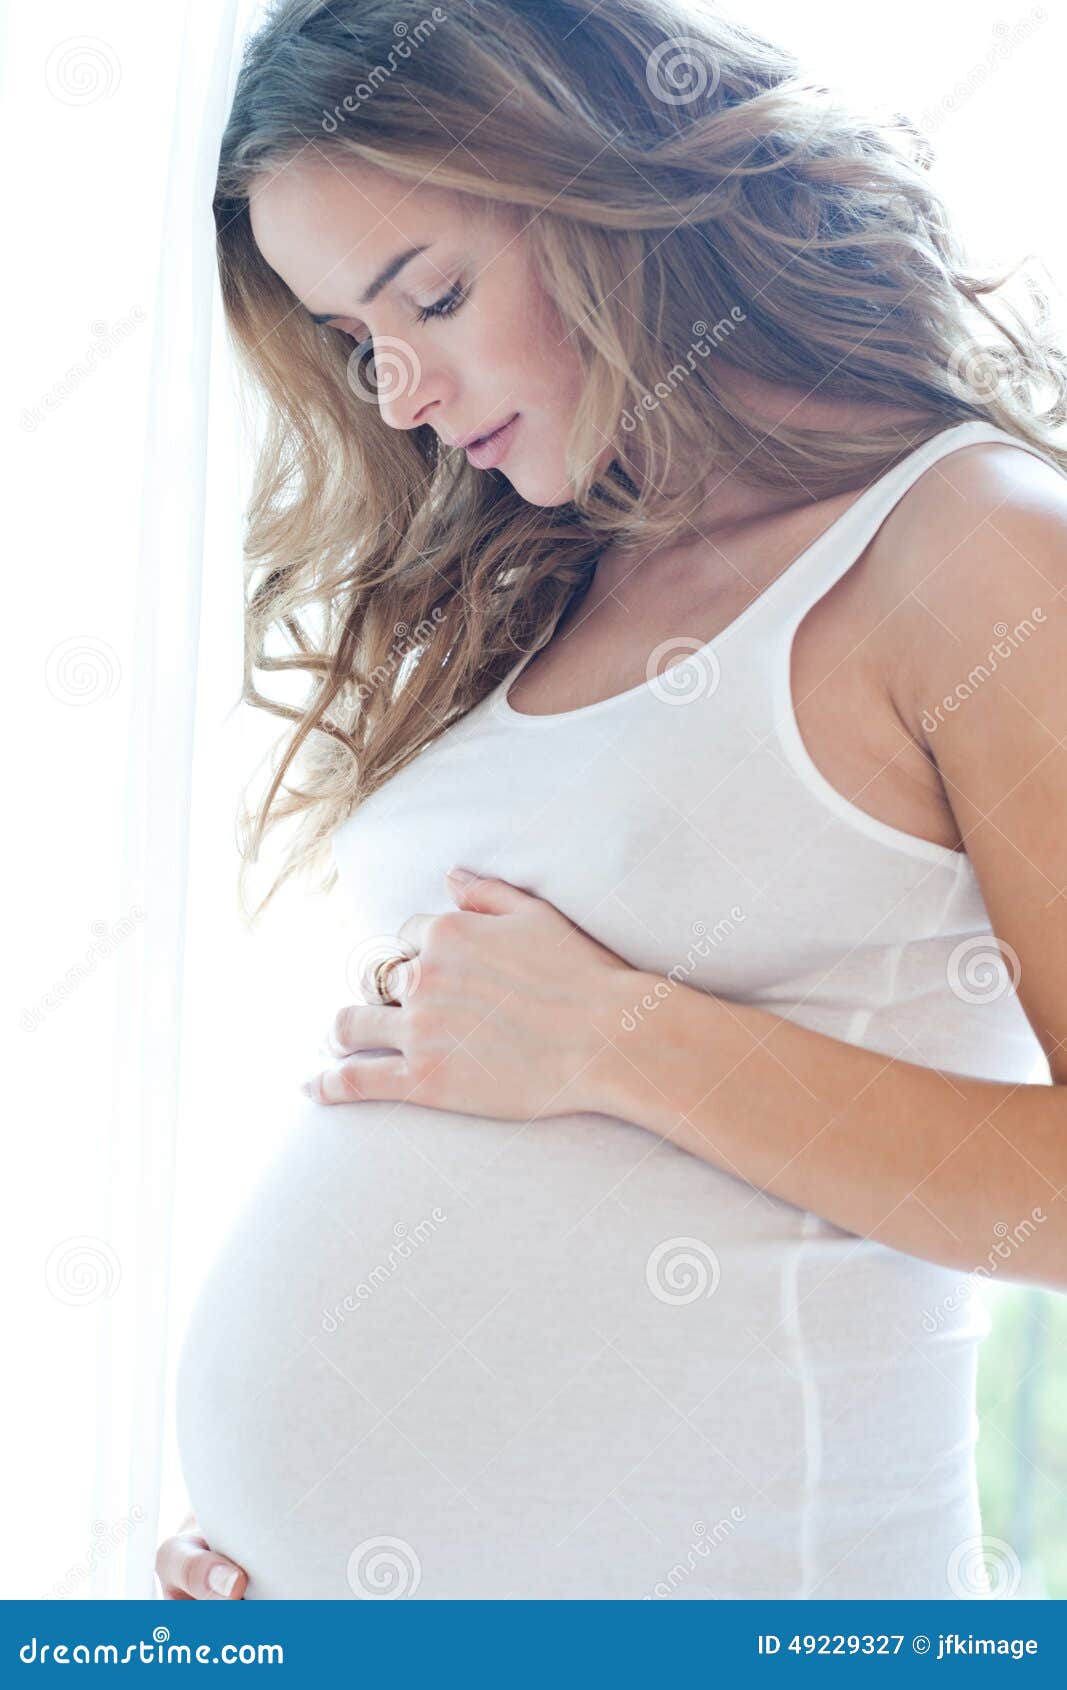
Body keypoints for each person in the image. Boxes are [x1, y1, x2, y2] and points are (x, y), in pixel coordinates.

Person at [158, 0, 1067, 1600]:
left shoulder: (974, 552)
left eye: (430, 295)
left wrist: (617, 1036)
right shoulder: (564, 574)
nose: (400, 391)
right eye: (354, 340)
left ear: (604, 188)